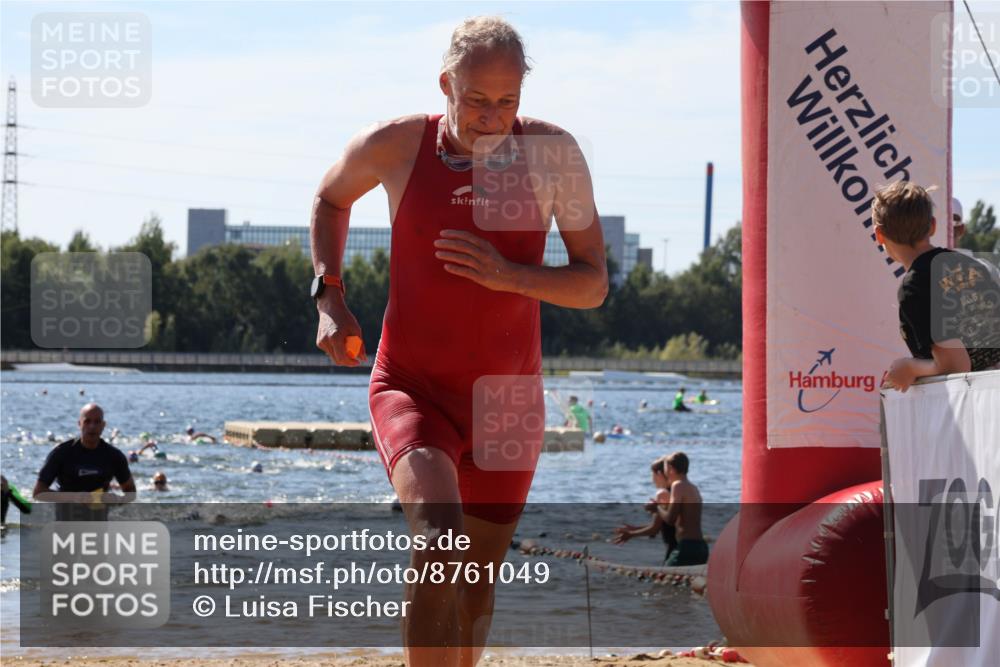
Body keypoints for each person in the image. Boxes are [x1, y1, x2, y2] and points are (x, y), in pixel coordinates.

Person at [311, 16, 607, 667]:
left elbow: (592, 284)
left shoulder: (552, 155)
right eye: (476, 100)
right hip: (413, 387)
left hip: (508, 403)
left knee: (474, 584)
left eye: (507, 102)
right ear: (446, 84)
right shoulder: (397, 145)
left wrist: (510, 274)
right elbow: (331, 199)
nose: (492, 117)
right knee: (439, 542)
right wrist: (330, 293)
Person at [874, 182, 1000, 392]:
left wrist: (908, 368)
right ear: (932, 225)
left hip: (976, 407)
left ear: (879, 235)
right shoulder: (974, 265)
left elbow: (956, 367)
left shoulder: (914, 287)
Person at [33, 404, 136, 518]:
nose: (92, 426)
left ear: (103, 425)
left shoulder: (114, 456)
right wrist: (75, 497)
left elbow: (130, 493)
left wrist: (117, 500)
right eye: (87, 421)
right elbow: (38, 493)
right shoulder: (62, 453)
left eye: (97, 422)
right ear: (79, 424)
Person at [612, 457, 678, 563]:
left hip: (674, 548)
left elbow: (654, 530)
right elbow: (664, 526)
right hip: (683, 545)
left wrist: (630, 534)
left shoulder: (663, 494)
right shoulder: (676, 492)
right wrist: (634, 529)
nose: (652, 479)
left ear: (660, 474)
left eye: (652, 475)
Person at [655, 452, 707, 567]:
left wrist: (657, 507)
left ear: (671, 469)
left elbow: (670, 519)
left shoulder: (677, 485)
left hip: (687, 547)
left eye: (665, 470)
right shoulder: (693, 488)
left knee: (664, 576)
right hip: (701, 546)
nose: (665, 473)